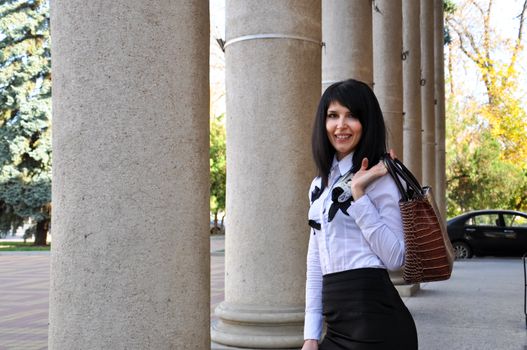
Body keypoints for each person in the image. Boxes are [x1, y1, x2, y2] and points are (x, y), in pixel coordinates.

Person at [302, 79, 418, 350]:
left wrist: (359, 193)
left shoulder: (381, 179)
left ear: (366, 123)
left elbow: (396, 258)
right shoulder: (319, 185)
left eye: (351, 115)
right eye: (333, 116)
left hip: (377, 322)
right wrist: (310, 334)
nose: (341, 125)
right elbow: (315, 262)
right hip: (337, 321)